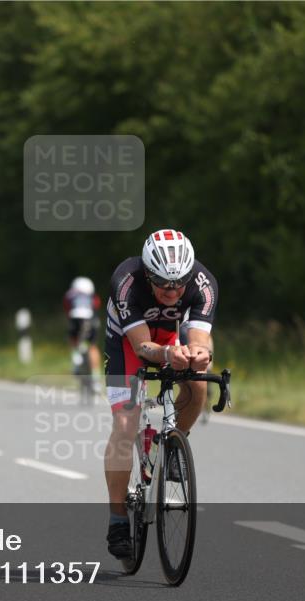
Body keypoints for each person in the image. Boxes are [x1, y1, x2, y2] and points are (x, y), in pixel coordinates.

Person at [102, 229, 217, 559]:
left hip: (170, 337)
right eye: (164, 284)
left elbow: (199, 339)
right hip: (127, 342)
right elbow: (141, 346)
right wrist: (168, 354)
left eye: (180, 284)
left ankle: (174, 447)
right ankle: (117, 519)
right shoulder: (127, 280)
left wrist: (199, 354)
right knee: (126, 425)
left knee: (198, 384)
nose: (173, 291)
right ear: (148, 274)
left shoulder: (203, 283)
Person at [64, 276, 102, 381]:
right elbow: (96, 307)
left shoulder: (70, 295)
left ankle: (76, 360)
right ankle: (95, 375)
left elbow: (67, 308)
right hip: (90, 319)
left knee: (73, 340)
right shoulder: (93, 296)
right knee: (93, 346)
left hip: (75, 318)